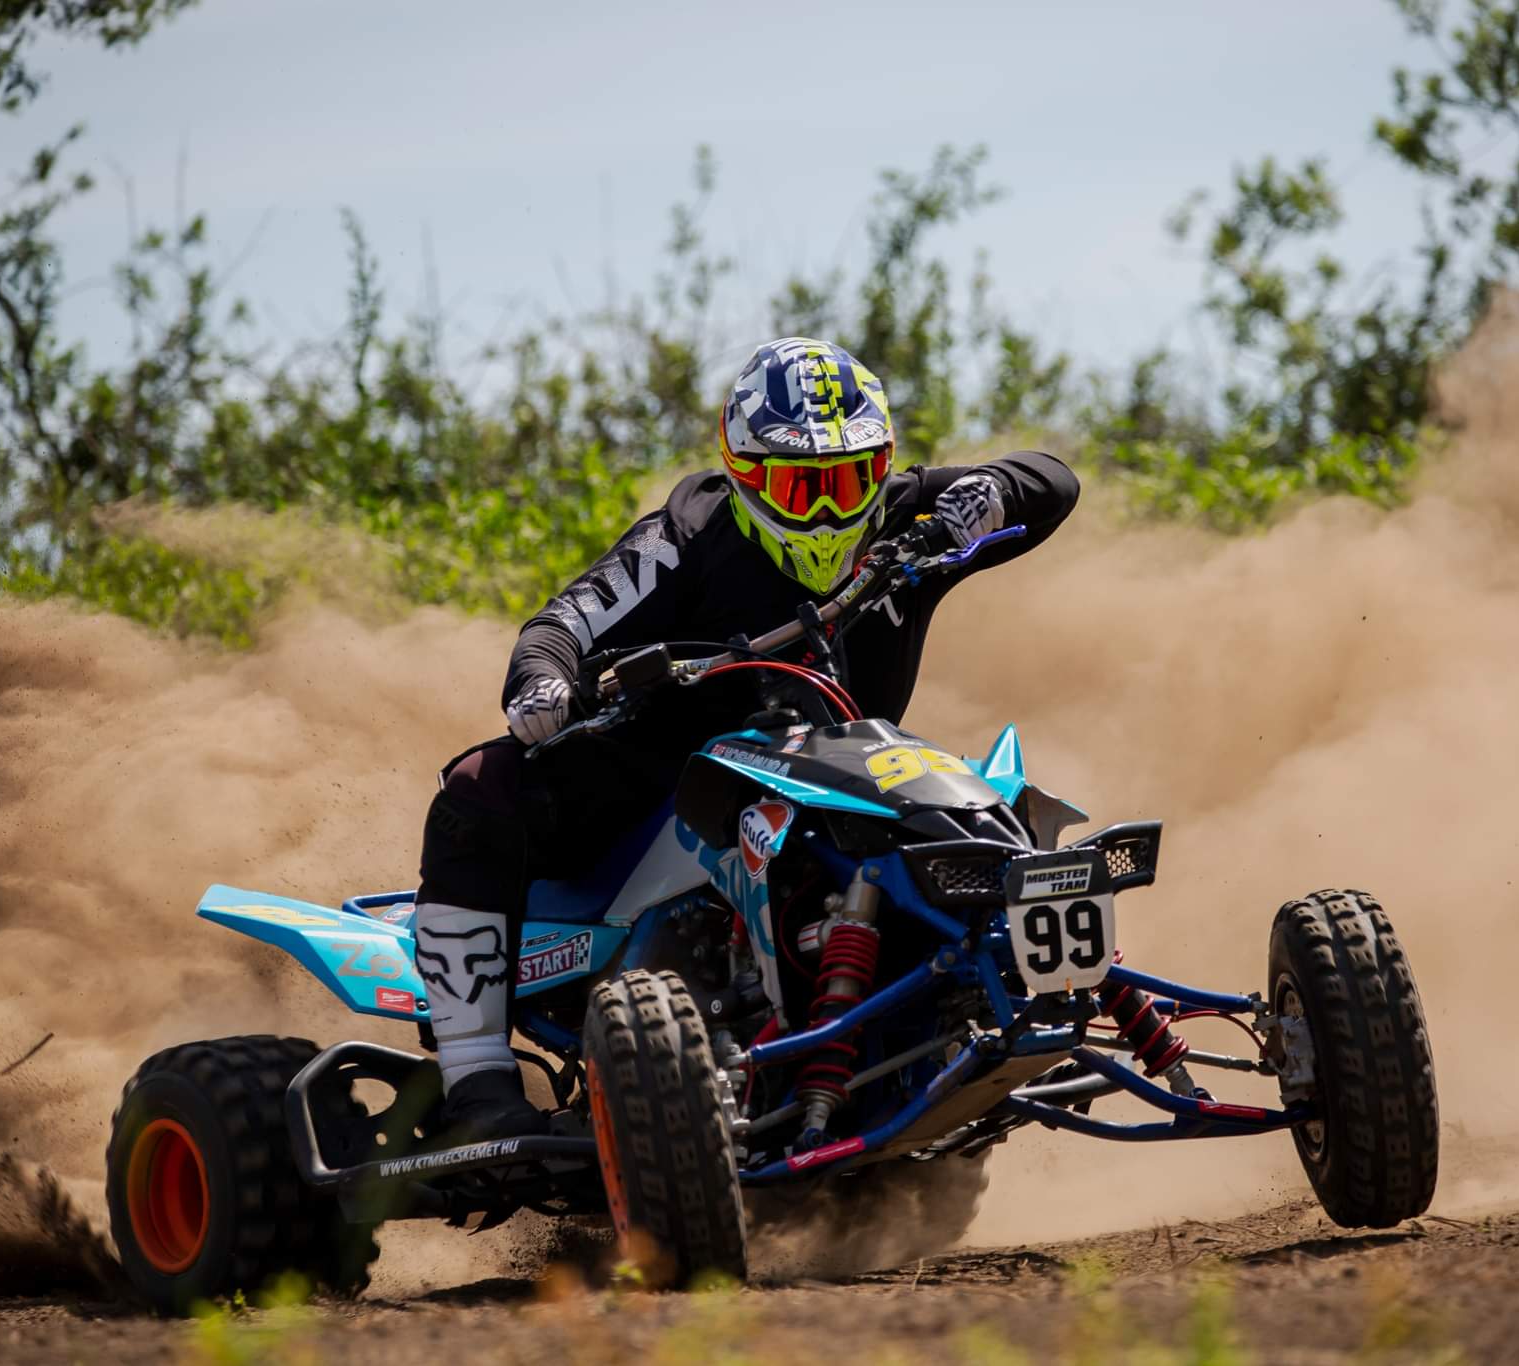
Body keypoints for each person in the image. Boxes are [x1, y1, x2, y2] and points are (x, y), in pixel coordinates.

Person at [411, 337, 1080, 1144]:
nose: (828, 511)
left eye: (848, 481)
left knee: (983, 807)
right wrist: (543, 684)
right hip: (666, 779)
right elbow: (562, 626)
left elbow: (1053, 480)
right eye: (802, 486)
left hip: (848, 771)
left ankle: (1003, 996)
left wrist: (994, 491)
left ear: (879, 467)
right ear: (745, 474)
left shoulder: (909, 515)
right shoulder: (689, 534)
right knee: (478, 785)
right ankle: (475, 1079)